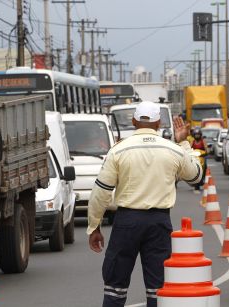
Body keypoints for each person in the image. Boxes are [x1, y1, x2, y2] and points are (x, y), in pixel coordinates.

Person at [87, 101, 203, 307]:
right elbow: (196, 177)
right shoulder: (173, 150)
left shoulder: (118, 151)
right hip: (159, 222)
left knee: (115, 287)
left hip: (126, 222)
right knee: (158, 288)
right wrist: (184, 143)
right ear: (158, 123)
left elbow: (101, 193)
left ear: (133, 121)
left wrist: (94, 226)